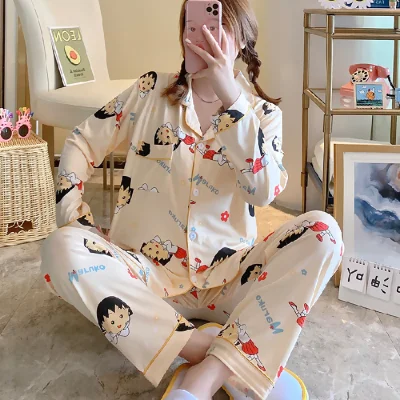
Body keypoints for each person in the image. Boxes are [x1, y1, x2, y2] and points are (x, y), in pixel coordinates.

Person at [40, 1, 343, 399]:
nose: (201, 37)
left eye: (216, 27)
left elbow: (263, 191)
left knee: (324, 232)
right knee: (61, 245)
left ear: (242, 40)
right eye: (192, 26)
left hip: (232, 281)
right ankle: (213, 352)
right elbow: (82, 141)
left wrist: (231, 98)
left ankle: (205, 375)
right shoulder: (149, 91)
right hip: (147, 281)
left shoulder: (263, 115)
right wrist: (77, 217)